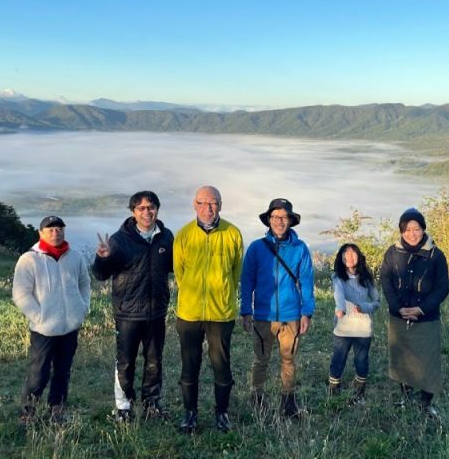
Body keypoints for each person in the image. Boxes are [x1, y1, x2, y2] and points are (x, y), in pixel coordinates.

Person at [92, 191, 174, 423]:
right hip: (127, 313)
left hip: (156, 311)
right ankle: (123, 406)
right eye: (141, 208)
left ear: (157, 209)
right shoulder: (119, 240)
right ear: (133, 212)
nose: (147, 212)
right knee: (125, 361)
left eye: (151, 207)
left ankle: (151, 403)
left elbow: (176, 267)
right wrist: (103, 257)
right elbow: (100, 275)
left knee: (154, 360)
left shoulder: (165, 237)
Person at [173, 185, 244, 433]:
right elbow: (180, 274)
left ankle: (222, 412)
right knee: (189, 364)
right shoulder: (183, 235)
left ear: (221, 205)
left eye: (213, 203)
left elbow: (236, 273)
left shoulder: (233, 233)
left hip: (221, 313)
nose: (208, 208)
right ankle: (190, 414)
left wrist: (223, 294)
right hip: (190, 313)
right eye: (202, 203)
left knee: (221, 364)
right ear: (194, 205)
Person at [12, 215, 91, 424]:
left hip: (70, 326)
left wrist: (83, 308)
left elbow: (85, 283)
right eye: (50, 229)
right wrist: (39, 317)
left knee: (63, 372)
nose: (55, 233)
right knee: (38, 373)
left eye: (59, 229)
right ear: (41, 234)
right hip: (43, 329)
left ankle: (57, 409)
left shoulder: (75, 257)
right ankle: (28, 413)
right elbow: (20, 294)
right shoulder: (29, 259)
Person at [240, 198, 315, 418]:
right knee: (260, 359)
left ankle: (288, 401)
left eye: (283, 217)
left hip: (291, 315)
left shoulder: (300, 249)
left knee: (289, 359)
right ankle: (257, 397)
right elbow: (247, 282)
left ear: (291, 220)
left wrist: (306, 313)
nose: (279, 221)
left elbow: (307, 283)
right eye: (275, 217)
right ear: (268, 220)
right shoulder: (256, 248)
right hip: (263, 315)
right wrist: (246, 311)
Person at [379, 208, 449, 418]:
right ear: (401, 231)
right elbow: (386, 281)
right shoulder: (392, 253)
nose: (412, 233)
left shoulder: (436, 255)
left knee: (427, 361)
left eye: (416, 228)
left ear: (423, 229)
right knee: (402, 358)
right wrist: (397, 307)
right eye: (407, 229)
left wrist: (421, 309)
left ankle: (426, 403)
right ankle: (405, 395)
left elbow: (442, 288)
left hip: (426, 318)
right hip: (398, 316)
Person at [328, 243, 381, 404]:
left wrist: (365, 307)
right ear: (341, 258)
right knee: (338, 360)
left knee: (361, 361)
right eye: (346, 254)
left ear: (358, 256)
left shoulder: (367, 277)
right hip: (343, 327)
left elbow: (377, 301)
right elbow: (339, 294)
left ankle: (359, 394)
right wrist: (340, 308)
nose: (349, 257)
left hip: (363, 328)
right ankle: (334, 394)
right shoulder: (337, 277)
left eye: (352, 254)